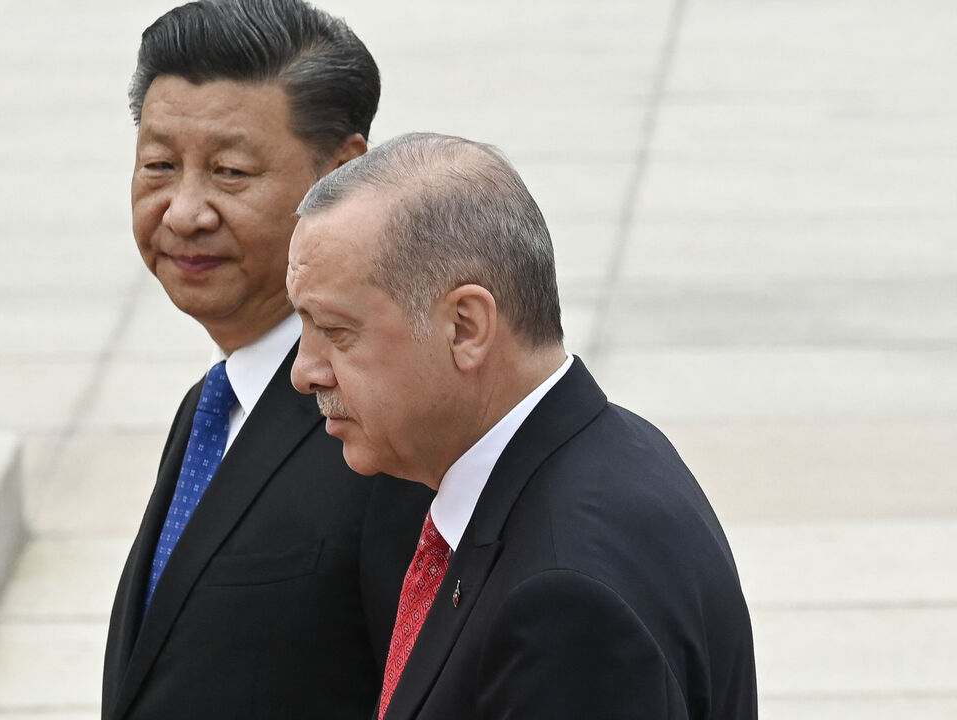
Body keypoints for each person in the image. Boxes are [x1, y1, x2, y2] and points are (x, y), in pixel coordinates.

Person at [287, 132, 758, 719]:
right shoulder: (608, 449)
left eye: (334, 331)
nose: (304, 373)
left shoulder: (565, 602)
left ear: (465, 327)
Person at [101, 3, 433, 719]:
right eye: (159, 165)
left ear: (341, 173)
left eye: (229, 171)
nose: (184, 211)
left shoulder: (394, 431)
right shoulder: (215, 403)